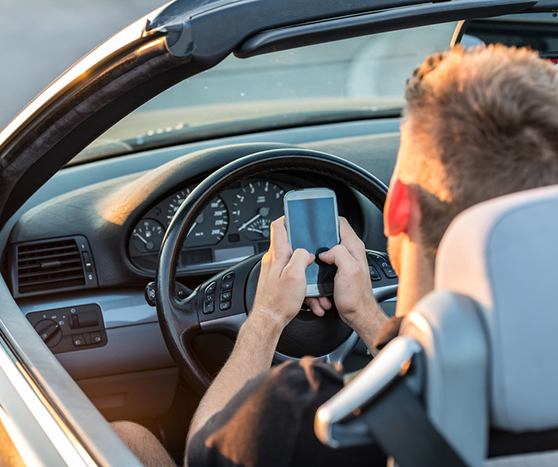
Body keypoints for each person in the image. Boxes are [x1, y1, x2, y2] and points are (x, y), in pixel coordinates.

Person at [114, 44, 558, 466]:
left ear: (399, 207)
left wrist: (265, 318)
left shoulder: (297, 421)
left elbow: (205, 450)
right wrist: (365, 311)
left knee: (126, 441)